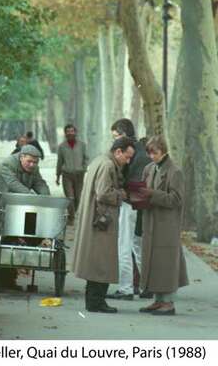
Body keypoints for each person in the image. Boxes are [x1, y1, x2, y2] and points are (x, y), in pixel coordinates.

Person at [71, 137, 135, 313]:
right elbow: (103, 193)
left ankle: (95, 301)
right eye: (127, 157)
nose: (128, 161)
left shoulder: (100, 160)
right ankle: (96, 302)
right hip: (101, 220)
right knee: (102, 261)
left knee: (96, 261)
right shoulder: (107, 165)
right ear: (118, 152)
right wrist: (120, 194)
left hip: (95, 218)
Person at [0, 144, 50, 290]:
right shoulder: (7, 164)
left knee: (11, 244)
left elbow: (39, 183)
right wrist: (31, 196)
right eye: (29, 162)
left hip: (15, 212)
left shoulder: (33, 168)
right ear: (21, 157)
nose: (32, 165)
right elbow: (13, 184)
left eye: (35, 162)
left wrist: (46, 197)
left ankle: (9, 281)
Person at [137, 135, 189, 315]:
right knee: (153, 262)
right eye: (150, 153)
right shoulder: (149, 168)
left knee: (166, 263)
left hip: (167, 225)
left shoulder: (175, 171)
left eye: (155, 153)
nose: (152, 156)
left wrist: (153, 194)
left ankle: (168, 303)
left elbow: (177, 200)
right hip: (151, 221)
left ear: (164, 151)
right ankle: (157, 300)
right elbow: (144, 191)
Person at [108, 118, 151, 301]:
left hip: (129, 202)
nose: (114, 141)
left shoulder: (129, 152)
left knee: (124, 245)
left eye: (116, 136)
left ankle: (125, 288)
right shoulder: (142, 150)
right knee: (137, 245)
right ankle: (148, 286)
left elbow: (124, 178)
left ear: (124, 134)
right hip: (142, 203)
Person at [56, 124, 88, 224]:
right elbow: (60, 161)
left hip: (79, 174)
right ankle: (71, 217)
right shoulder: (62, 146)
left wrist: (84, 168)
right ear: (65, 133)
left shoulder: (82, 145)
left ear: (75, 132)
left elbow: (86, 158)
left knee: (78, 197)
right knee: (70, 196)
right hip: (67, 174)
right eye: (68, 131)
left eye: (72, 131)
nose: (70, 133)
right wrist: (57, 175)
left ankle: (75, 213)